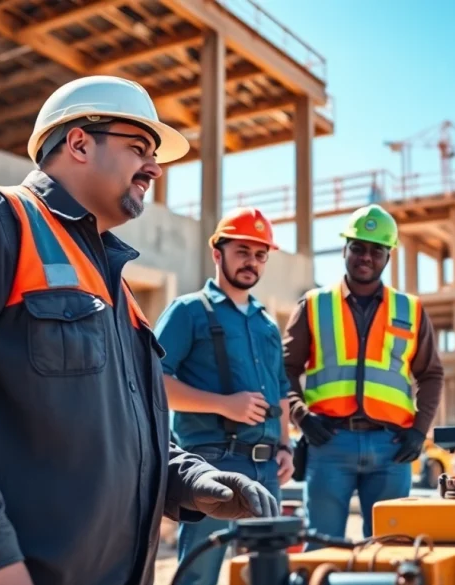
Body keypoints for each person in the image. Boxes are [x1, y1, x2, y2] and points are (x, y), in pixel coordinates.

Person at [0, 75, 278, 585]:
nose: (154, 167)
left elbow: (116, 430)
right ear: (78, 142)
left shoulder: (112, 288)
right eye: (139, 146)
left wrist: (191, 480)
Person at [283, 204, 445, 546]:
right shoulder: (313, 304)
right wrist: (301, 417)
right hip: (329, 443)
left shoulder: (410, 309)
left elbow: (430, 374)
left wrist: (419, 431)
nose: (366, 257)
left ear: (388, 256)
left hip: (391, 448)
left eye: (376, 250)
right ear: (345, 249)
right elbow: (283, 369)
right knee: (322, 548)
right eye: (358, 247)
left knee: (390, 548)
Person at [155, 207, 294, 585]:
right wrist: (223, 403)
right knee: (200, 574)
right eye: (243, 251)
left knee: (268, 572)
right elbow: (152, 381)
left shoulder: (265, 322)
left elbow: (281, 390)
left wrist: (285, 447)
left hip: (267, 468)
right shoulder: (188, 311)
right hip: (211, 465)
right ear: (218, 253)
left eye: (260, 254)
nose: (252, 262)